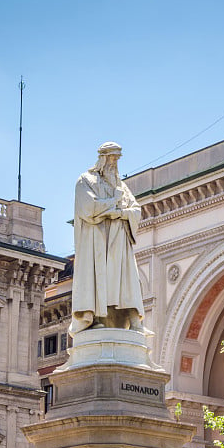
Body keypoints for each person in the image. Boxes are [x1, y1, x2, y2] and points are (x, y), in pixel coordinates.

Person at [70, 142, 144, 334]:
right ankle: (96, 318)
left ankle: (134, 320)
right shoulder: (85, 181)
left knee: (126, 282)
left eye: (117, 159)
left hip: (119, 240)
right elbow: (89, 209)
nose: (114, 163)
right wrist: (113, 203)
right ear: (102, 158)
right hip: (97, 241)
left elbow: (136, 210)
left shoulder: (122, 186)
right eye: (111, 157)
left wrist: (120, 214)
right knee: (99, 279)